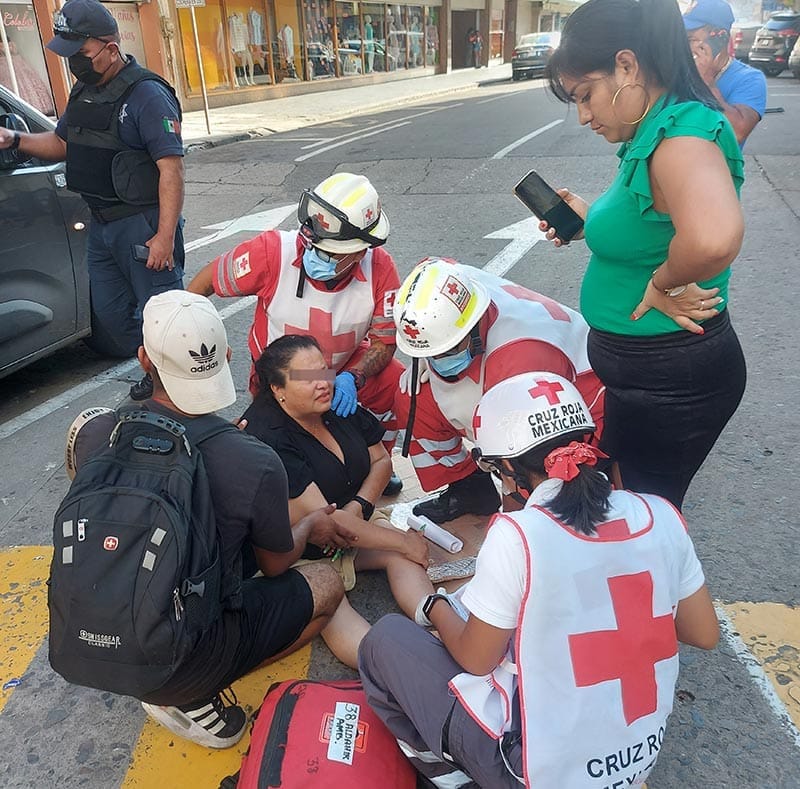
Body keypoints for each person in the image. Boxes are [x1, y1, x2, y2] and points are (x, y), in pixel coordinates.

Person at [359, 371, 719, 788]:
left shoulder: (518, 536)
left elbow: (477, 659)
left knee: (385, 640)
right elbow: (703, 632)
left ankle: (453, 774)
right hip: (635, 759)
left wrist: (434, 606)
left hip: (536, 773)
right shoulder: (659, 514)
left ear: (508, 468)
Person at [64, 291, 351, 748]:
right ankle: (190, 692)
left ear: (144, 360)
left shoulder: (95, 429)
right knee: (325, 583)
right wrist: (310, 526)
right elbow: (276, 565)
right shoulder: (253, 460)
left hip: (89, 637)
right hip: (185, 649)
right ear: (228, 356)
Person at [542, 0, 747, 509]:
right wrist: (591, 219)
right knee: (632, 504)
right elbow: (655, 226)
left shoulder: (681, 136)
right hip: (647, 379)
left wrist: (665, 284)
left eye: (585, 95)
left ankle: (663, 590)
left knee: (645, 521)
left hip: (671, 382)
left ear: (627, 66)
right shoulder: (653, 132)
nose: (584, 115)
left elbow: (712, 239)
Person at [0, 0, 186, 401]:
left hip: (142, 223)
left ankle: (177, 392)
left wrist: (165, 236)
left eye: (80, 54)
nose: (74, 64)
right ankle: (157, 373)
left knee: (163, 317)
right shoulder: (85, 90)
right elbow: (60, 142)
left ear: (110, 48)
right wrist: (14, 139)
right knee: (116, 317)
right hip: (101, 227)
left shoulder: (147, 95)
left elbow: (171, 169)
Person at [188, 172, 404, 495]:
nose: (312, 255)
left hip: (341, 372)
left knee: (396, 381)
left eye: (329, 253)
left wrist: (353, 378)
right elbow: (205, 282)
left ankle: (372, 459)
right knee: (272, 458)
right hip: (280, 379)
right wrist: (194, 332)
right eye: (311, 244)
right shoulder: (272, 252)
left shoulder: (380, 269)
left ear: (360, 252)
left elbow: (386, 342)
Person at [240, 335, 432, 668]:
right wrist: (403, 540)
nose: (322, 384)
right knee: (333, 602)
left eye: (324, 371)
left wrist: (358, 508)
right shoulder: (267, 434)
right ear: (277, 389)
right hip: (300, 552)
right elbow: (328, 524)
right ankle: (394, 670)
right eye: (306, 378)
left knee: (404, 558)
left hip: (355, 519)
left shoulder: (337, 402)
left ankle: (441, 626)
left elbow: (382, 461)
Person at [393, 257, 604, 524]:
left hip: (584, 402)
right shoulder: (447, 285)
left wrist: (513, 530)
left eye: (448, 350)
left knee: (538, 473)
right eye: (434, 353)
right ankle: (470, 489)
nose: (441, 361)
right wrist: (429, 352)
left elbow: (517, 452)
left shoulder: (520, 358)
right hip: (521, 371)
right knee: (414, 398)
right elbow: (432, 266)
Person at [684, 0, 767, 147]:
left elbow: (737, 132)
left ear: (719, 37)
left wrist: (706, 81)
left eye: (691, 39)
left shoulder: (749, 78)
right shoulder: (681, 70)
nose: (684, 45)